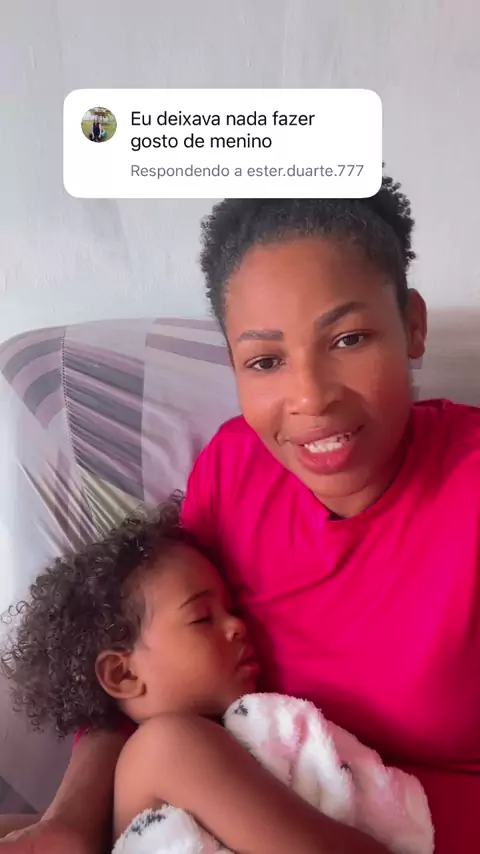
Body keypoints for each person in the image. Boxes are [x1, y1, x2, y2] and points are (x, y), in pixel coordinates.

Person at [2, 176, 479, 854]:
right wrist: (70, 823)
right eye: (265, 360)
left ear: (414, 325)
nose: (309, 397)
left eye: (348, 339)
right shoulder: (234, 471)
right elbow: (141, 655)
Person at [1, 500, 409, 854]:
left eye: (233, 609)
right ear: (122, 673)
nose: (237, 626)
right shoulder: (166, 745)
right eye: (201, 618)